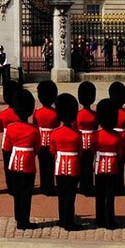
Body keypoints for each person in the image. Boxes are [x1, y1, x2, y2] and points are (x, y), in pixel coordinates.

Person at [3, 89, 40, 230]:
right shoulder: (34, 130)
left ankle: (18, 216)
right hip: (28, 163)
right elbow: (37, 148)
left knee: (17, 191)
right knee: (26, 193)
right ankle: (24, 221)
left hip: (14, 162)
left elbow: (7, 148)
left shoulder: (11, 128)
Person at [50, 93, 82, 231]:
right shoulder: (77, 134)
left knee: (61, 194)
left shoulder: (55, 133)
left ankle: (62, 219)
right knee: (70, 195)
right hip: (73, 166)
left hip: (59, 166)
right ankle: (69, 221)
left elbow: (52, 150)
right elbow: (80, 152)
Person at [92, 99, 124, 229]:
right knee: (110, 195)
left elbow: (93, 150)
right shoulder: (117, 136)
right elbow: (120, 153)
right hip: (113, 167)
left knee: (99, 194)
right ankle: (110, 219)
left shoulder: (96, 135)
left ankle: (100, 219)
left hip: (99, 166)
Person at [34, 81, 59, 197]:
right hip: (53, 141)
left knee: (43, 165)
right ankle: (50, 186)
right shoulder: (56, 113)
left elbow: (35, 125)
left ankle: (44, 186)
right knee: (51, 166)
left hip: (41, 142)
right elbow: (57, 125)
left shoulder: (37, 112)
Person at [0, 80, 22, 189]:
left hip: (6, 141)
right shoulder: (20, 113)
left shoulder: (3, 113)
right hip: (19, 141)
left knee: (8, 164)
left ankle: (10, 185)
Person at [75, 81, 98, 198]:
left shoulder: (77, 114)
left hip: (80, 141)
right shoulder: (95, 115)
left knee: (81, 165)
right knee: (89, 166)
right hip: (92, 142)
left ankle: (82, 186)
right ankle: (88, 186)